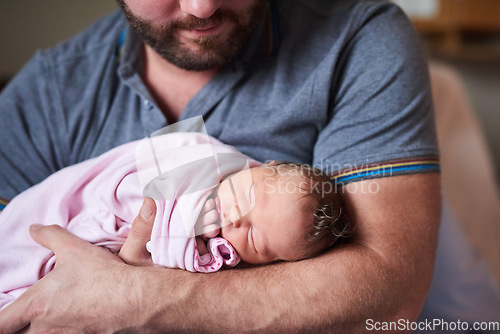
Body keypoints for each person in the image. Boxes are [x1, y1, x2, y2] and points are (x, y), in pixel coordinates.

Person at [0, 0, 440, 332]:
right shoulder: (50, 92)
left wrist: (136, 298)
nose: (201, 7)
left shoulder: (356, 40)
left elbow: (388, 295)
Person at [0, 131, 351, 309]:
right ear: (267, 166)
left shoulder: (224, 256)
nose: (238, 218)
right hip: (75, 210)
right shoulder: (212, 161)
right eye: (250, 195)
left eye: (257, 241)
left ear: (272, 263)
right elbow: (143, 176)